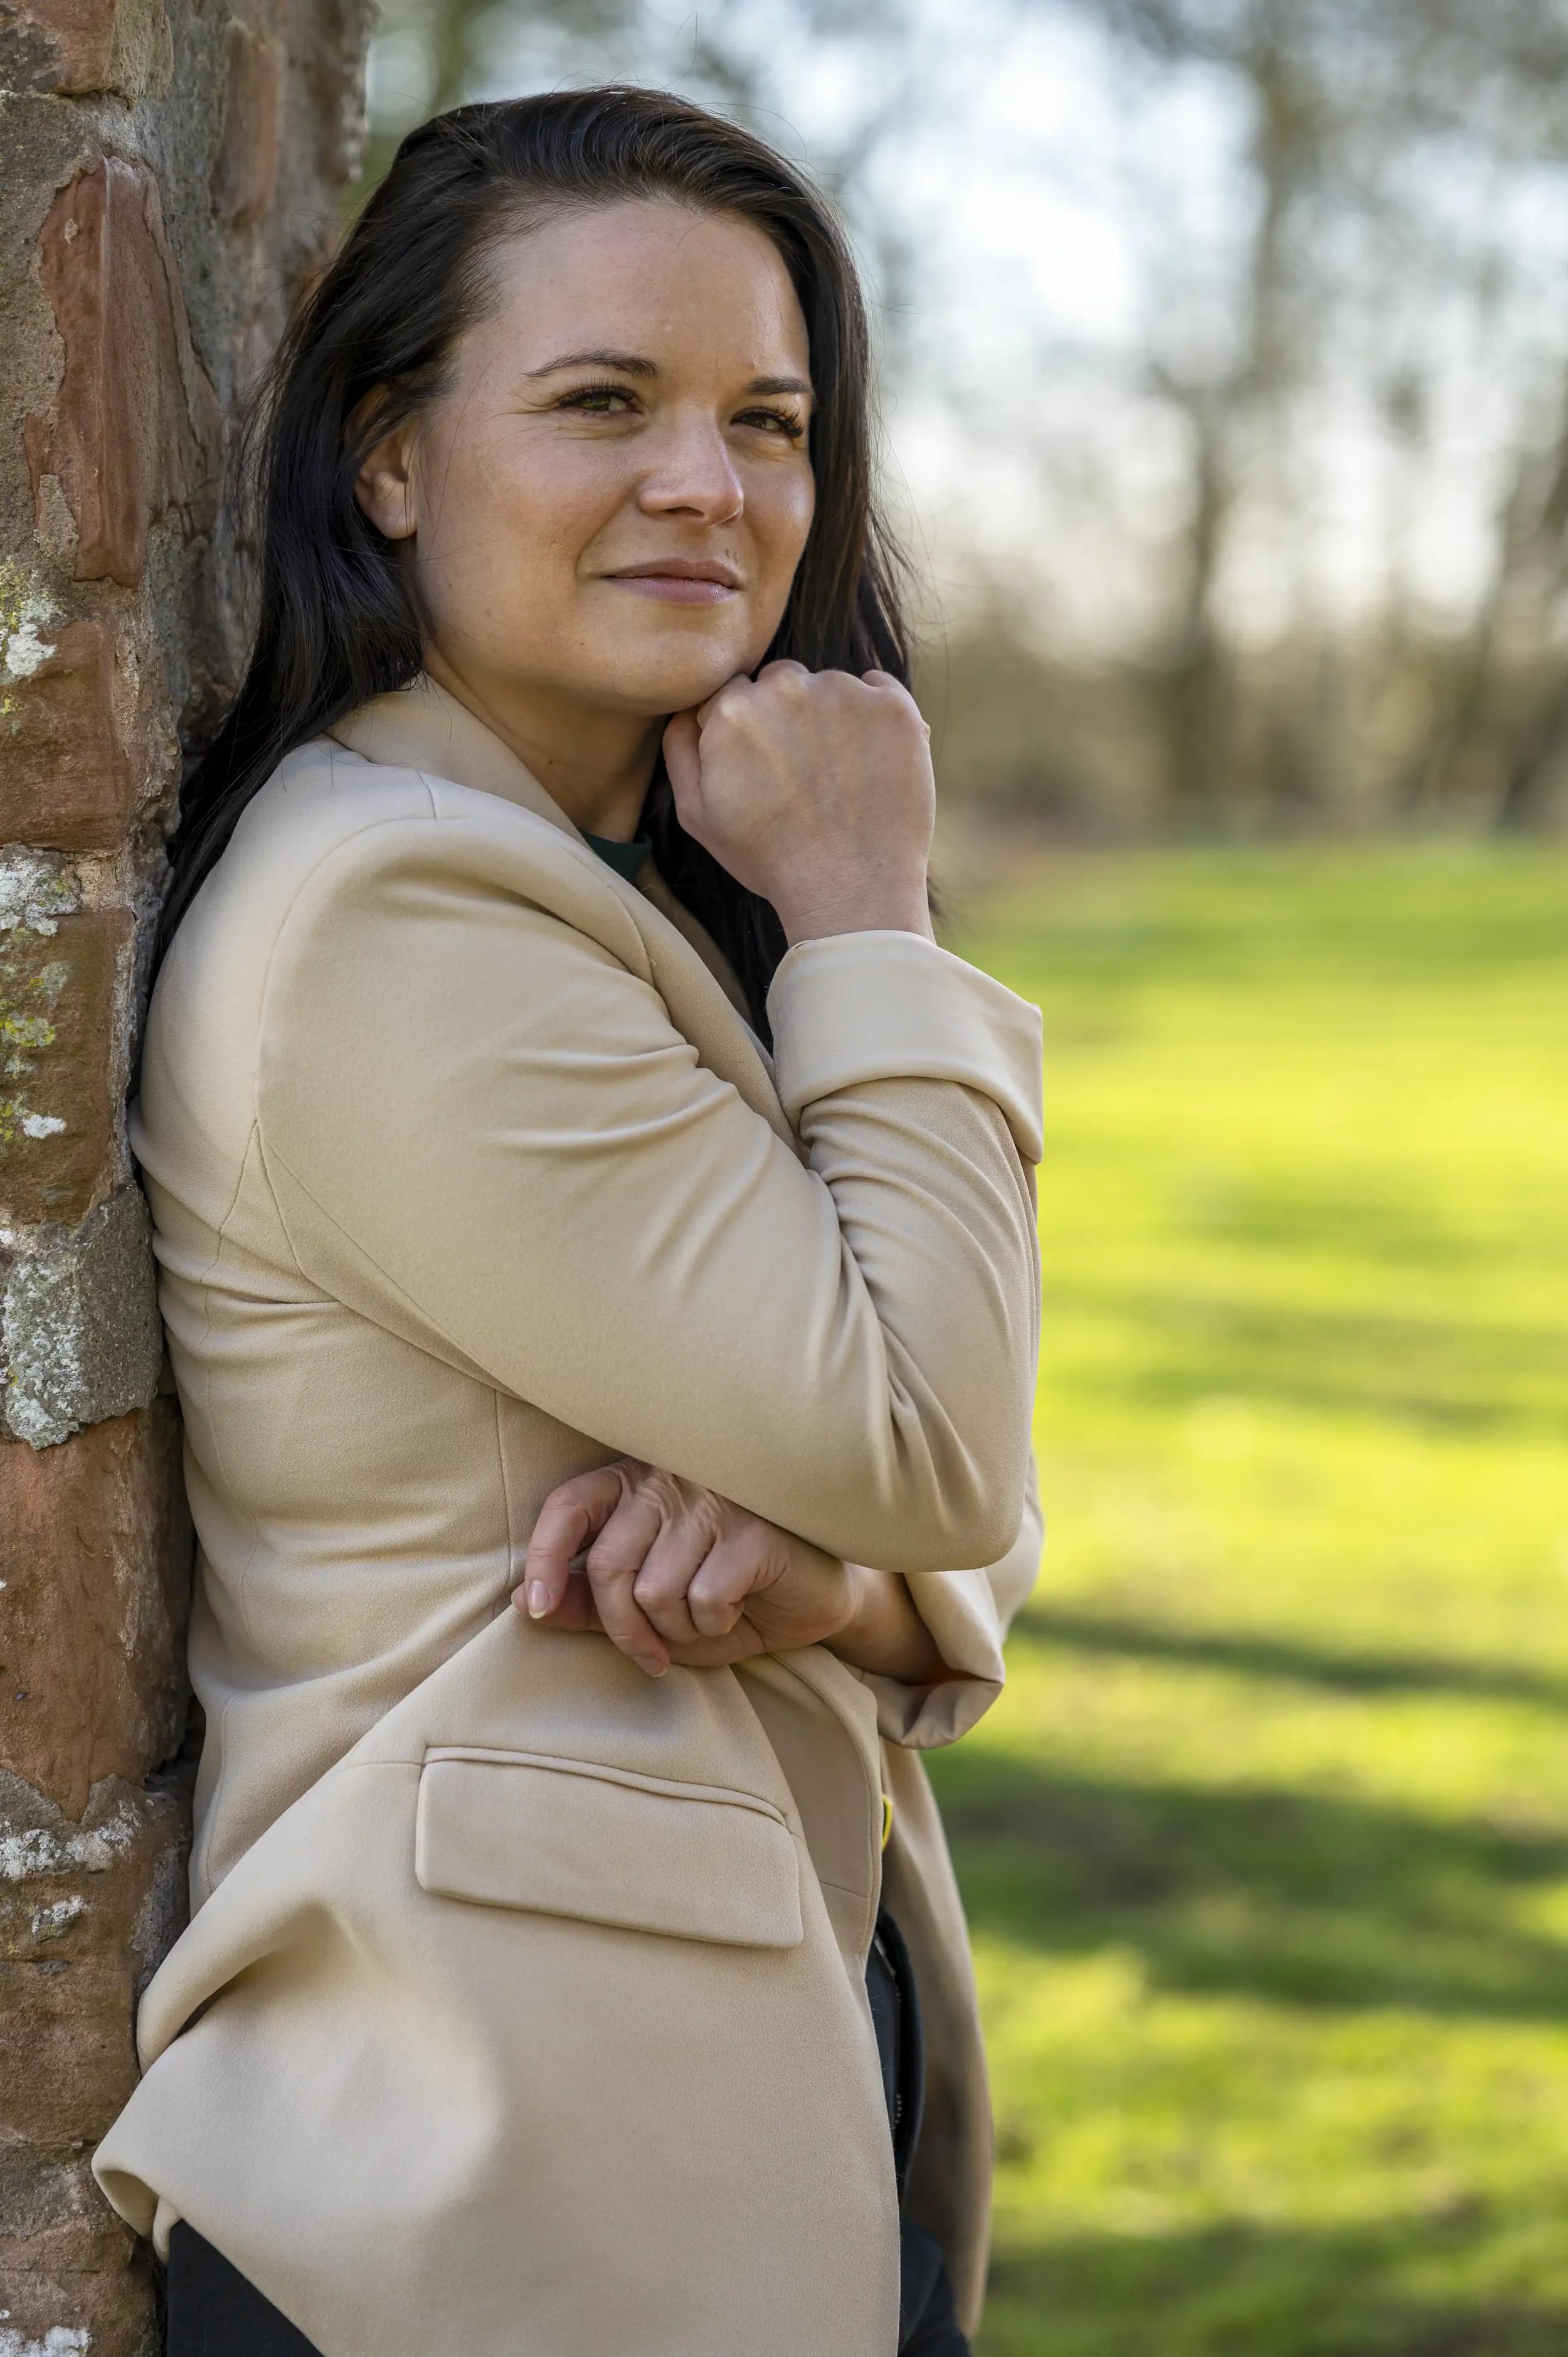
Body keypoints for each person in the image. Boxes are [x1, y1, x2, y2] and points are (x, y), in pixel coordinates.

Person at [92, 85, 1044, 2357]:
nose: (710, 485)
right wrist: (866, 903)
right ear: (390, 455)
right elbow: (940, 1434)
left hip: (740, 2078)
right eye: (602, 401)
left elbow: (935, 1449)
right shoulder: (393, 911)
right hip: (491, 2165)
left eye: (768, 419)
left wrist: (841, 1569)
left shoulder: (625, 881)